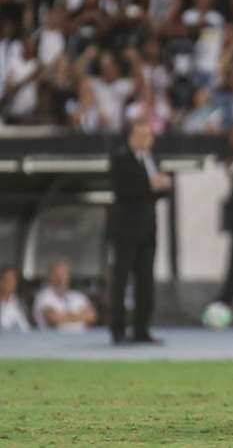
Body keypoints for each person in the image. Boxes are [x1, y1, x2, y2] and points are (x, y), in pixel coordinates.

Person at [109, 120, 171, 344]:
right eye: (140, 135)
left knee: (146, 280)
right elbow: (127, 189)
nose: (145, 139)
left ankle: (141, 329)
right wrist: (153, 184)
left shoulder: (152, 157)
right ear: (131, 137)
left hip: (148, 228)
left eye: (148, 135)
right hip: (125, 228)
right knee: (121, 279)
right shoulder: (120, 157)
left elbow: (161, 189)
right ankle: (117, 330)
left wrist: (159, 185)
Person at [33, 261, 97, 332]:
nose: (61, 277)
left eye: (64, 273)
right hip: (53, 340)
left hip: (80, 339)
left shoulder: (78, 296)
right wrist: (81, 316)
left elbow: (92, 317)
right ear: (50, 276)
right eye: (57, 273)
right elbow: (54, 319)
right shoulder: (43, 296)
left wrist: (65, 317)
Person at [0, 267, 30, 333]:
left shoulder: (19, 302)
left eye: (14, 280)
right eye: (8, 280)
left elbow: (25, 327)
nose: (11, 283)